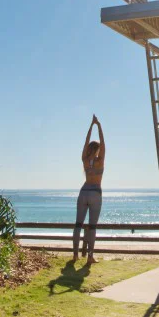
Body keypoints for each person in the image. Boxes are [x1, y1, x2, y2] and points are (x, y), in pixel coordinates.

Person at [73, 114, 106, 265]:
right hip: (95, 192)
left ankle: (75, 255)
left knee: (78, 224)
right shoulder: (100, 160)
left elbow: (85, 143)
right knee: (92, 227)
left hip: (84, 191)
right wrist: (98, 125)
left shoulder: (85, 160)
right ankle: (90, 256)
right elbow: (104, 142)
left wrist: (90, 126)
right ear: (98, 149)